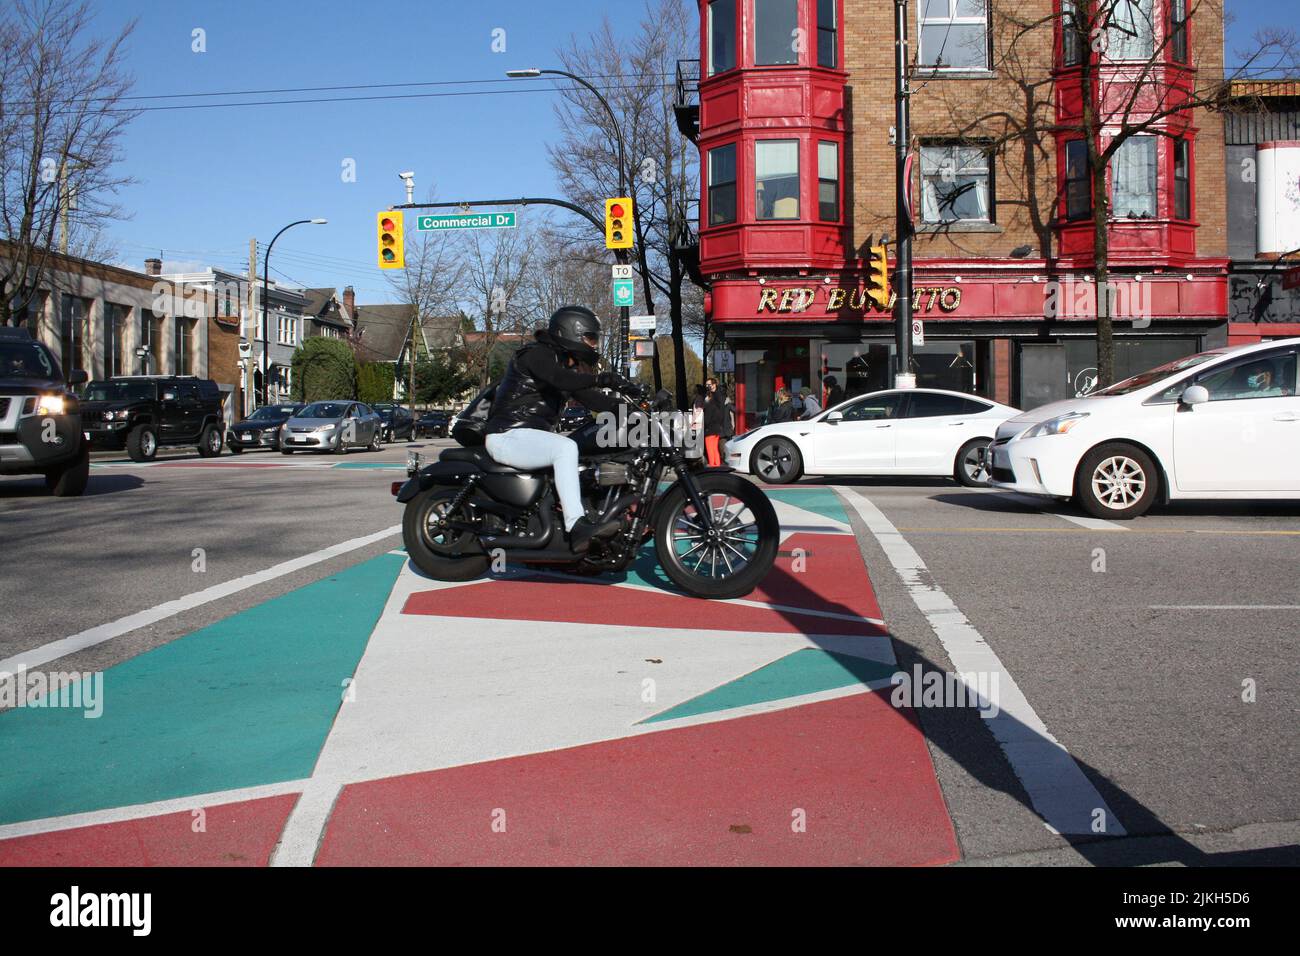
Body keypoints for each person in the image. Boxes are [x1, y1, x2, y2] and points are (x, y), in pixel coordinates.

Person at [483, 305, 636, 553]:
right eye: (590, 338)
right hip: (508, 435)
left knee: (585, 454)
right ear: (571, 332)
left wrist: (631, 409)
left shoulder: (565, 367)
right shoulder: (535, 355)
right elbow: (559, 379)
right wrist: (602, 378)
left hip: (529, 437)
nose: (594, 345)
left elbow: (593, 399)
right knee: (566, 447)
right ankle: (576, 526)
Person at [703, 376, 728, 466]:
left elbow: (709, 413)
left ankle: (713, 467)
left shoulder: (715, 397)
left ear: (714, 385)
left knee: (710, 449)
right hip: (716, 427)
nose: (707, 386)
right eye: (706, 385)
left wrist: (705, 424)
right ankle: (716, 466)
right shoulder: (717, 395)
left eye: (709, 385)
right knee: (714, 448)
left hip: (711, 427)